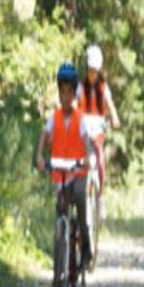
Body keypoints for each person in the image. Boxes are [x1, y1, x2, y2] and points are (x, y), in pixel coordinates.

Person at [35, 61, 94, 265]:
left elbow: (86, 140)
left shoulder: (80, 118)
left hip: (78, 171)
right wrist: (39, 155)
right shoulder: (55, 117)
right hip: (61, 171)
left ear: (74, 94)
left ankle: (85, 247)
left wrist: (88, 157)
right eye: (62, 92)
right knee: (61, 206)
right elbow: (45, 135)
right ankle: (60, 257)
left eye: (69, 92)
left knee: (80, 198)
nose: (66, 97)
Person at [76, 44, 121, 214]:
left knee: (100, 155)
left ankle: (100, 195)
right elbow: (75, 105)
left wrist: (114, 117)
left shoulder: (103, 87)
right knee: (80, 156)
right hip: (84, 125)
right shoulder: (81, 87)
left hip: (98, 124)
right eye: (90, 70)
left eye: (95, 71)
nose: (93, 74)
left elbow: (110, 104)